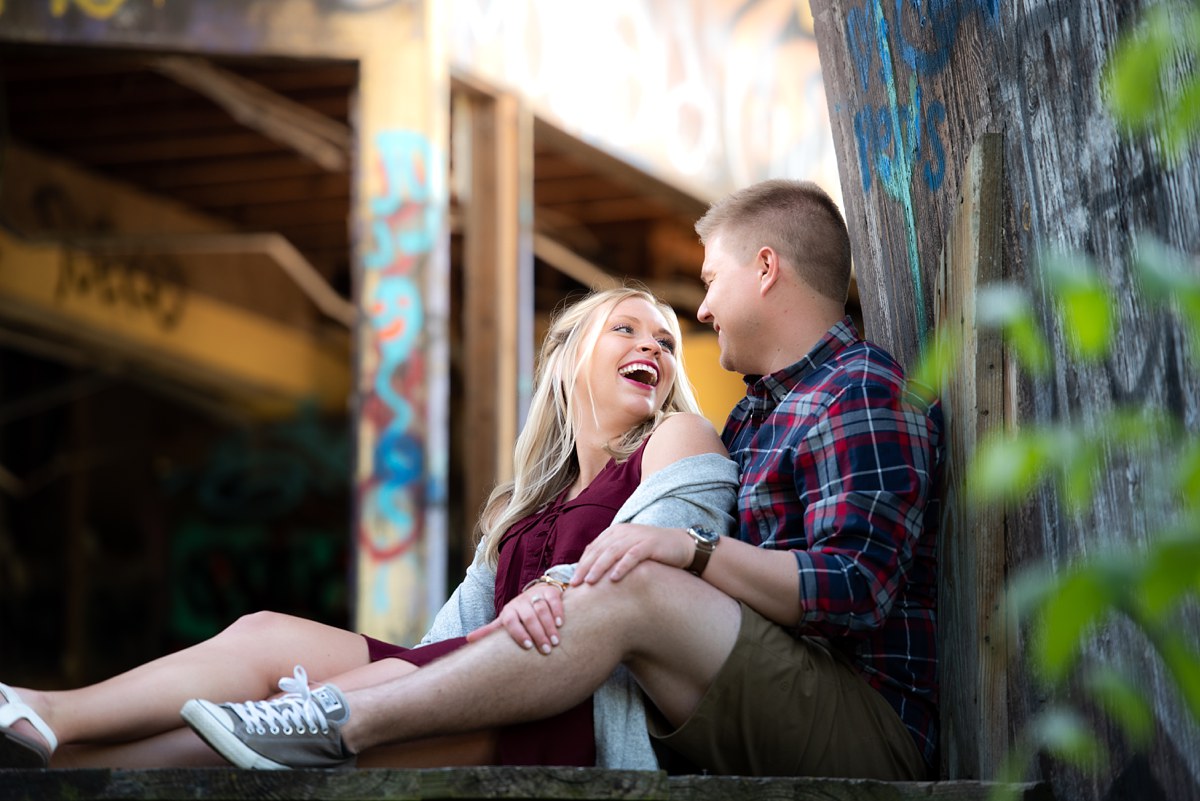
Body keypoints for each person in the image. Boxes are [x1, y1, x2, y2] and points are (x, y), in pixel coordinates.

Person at [182, 179, 944, 779]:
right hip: (734, 701)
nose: (704, 308)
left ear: (767, 268)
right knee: (277, 642)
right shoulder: (752, 417)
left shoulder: (860, 388)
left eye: (710, 281)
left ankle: (342, 722)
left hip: (862, 726)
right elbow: (449, 638)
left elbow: (854, 587)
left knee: (635, 575)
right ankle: (244, 723)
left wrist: (689, 549)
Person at [0, 287, 738, 770]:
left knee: (275, 732)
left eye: (668, 342)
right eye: (628, 328)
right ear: (570, 356)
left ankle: (71, 770)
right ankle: (48, 716)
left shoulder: (676, 439)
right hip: (472, 680)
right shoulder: (525, 504)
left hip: (565, 717)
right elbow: (444, 645)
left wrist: (559, 586)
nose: (654, 348)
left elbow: (658, 576)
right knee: (262, 634)